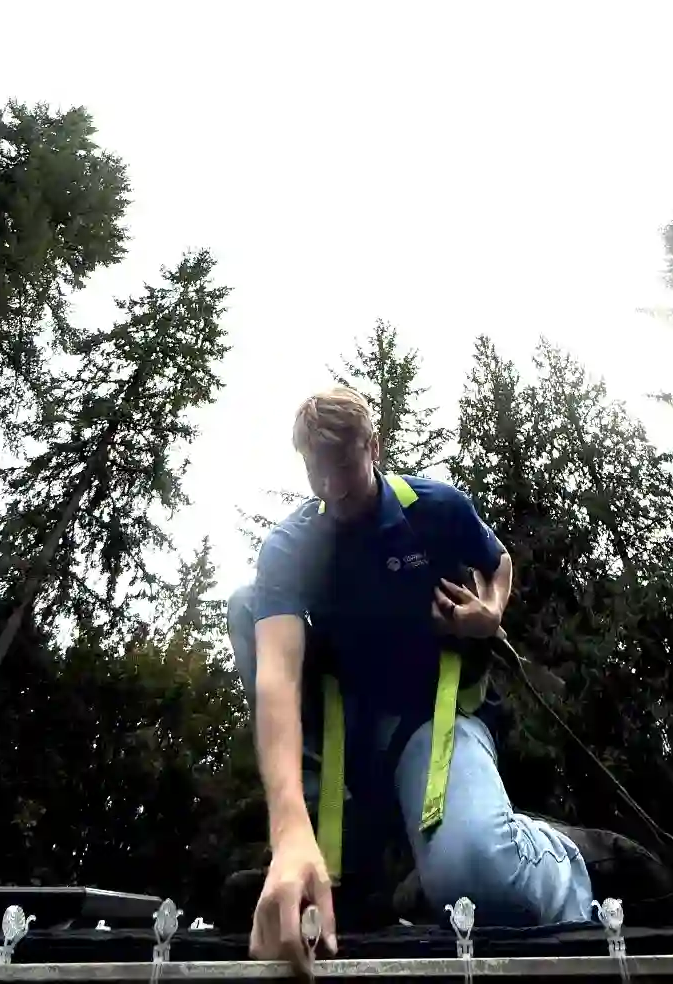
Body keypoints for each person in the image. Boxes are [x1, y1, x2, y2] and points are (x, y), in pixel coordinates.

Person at [226, 386, 593, 973]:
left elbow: (495, 563)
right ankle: (332, 823)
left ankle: (555, 860)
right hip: (346, 740)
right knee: (247, 603)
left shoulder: (435, 507)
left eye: (343, 466)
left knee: (473, 874)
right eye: (315, 471)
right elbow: (276, 679)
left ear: (374, 445)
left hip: (434, 722)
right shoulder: (292, 546)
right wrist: (289, 830)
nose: (331, 488)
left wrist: (490, 612)